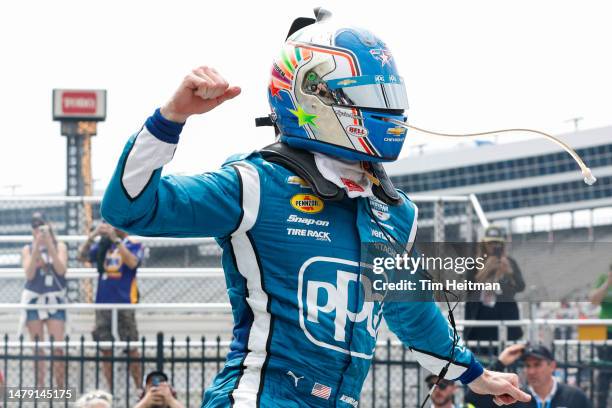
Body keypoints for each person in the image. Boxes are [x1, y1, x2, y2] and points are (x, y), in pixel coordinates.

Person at [99, 9, 530, 407]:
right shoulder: (255, 184)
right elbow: (130, 208)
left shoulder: (394, 212)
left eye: (390, 97)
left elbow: (411, 313)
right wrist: (171, 116)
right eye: (371, 96)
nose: (388, 111)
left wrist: (476, 375)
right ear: (313, 94)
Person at [77, 221, 144, 390]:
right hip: (103, 303)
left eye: (115, 223)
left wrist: (116, 240)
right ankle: (110, 390)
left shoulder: (133, 243)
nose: (112, 226)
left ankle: (139, 389)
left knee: (131, 348)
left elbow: (132, 263)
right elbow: (81, 256)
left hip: (124, 303)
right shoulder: (103, 245)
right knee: (105, 349)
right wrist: (93, 236)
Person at [20, 212, 67, 387]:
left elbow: (61, 270)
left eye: (40, 225)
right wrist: (36, 248)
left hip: (53, 299)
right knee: (38, 348)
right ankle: (40, 387)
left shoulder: (59, 245)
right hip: (35, 299)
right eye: (34, 226)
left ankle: (60, 387)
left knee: (58, 347)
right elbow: (29, 273)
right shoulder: (28, 248)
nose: (37, 229)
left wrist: (49, 245)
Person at [465, 344, 593, 407]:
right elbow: (474, 397)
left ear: (552, 366)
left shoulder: (575, 396)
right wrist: (500, 363)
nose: (531, 371)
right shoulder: (514, 397)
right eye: (527, 366)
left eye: (537, 365)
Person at [464, 226, 526, 352]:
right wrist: (486, 269)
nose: (494, 246)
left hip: (505, 318)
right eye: (491, 242)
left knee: (507, 357)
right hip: (479, 321)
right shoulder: (473, 263)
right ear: (484, 244)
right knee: (480, 361)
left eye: (497, 243)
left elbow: (521, 286)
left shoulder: (510, 262)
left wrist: (510, 272)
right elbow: (468, 288)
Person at [589, 264, 612, 408]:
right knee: (604, 373)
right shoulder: (603, 278)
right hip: (606, 332)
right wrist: (607, 283)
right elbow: (594, 300)